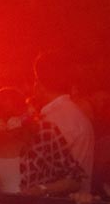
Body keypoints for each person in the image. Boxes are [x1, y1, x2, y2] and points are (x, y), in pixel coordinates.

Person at [32, 51, 94, 189]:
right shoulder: (73, 113)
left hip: (61, 200)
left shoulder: (54, 121)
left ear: (38, 84)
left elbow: (48, 173)